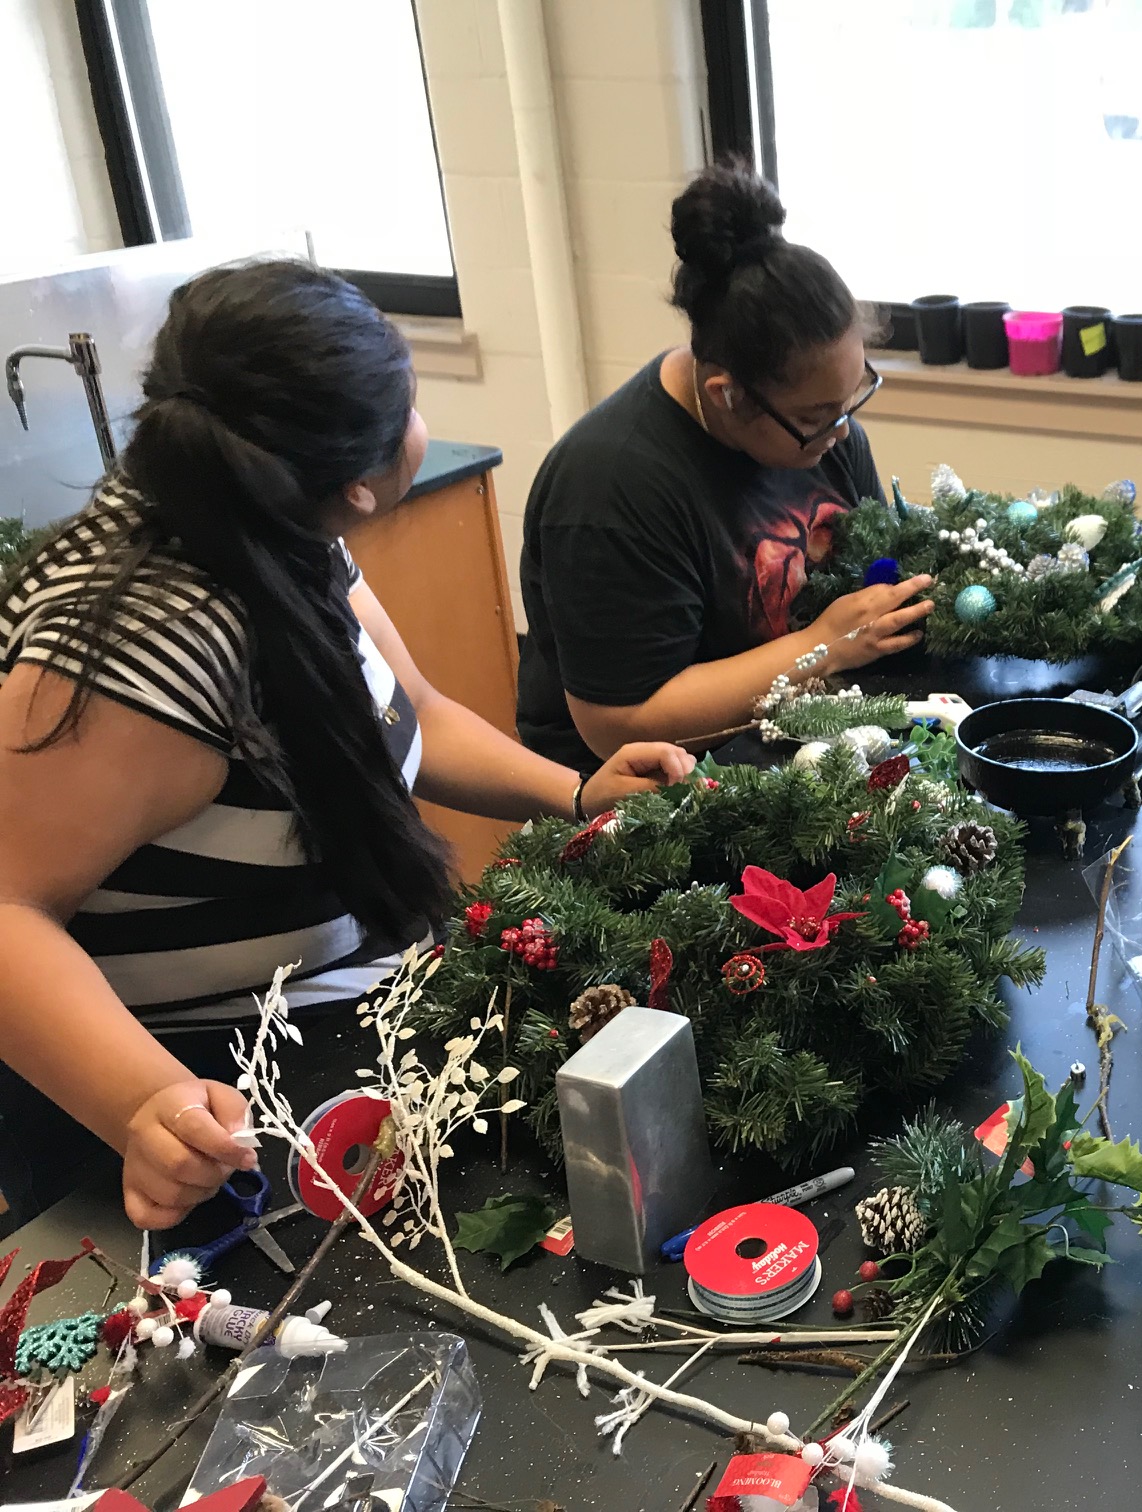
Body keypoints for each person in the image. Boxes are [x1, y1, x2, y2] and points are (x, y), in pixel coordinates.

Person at [0, 260, 695, 1233]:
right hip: (221, 1098)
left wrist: (577, 794)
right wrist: (144, 1103)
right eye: (412, 404)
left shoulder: (272, 515)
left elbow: (406, 708)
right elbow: (8, 908)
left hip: (352, 1019)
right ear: (364, 484)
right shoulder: (141, 656)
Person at [516, 163, 933, 769]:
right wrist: (823, 646)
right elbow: (619, 727)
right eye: (817, 414)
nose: (842, 430)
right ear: (725, 394)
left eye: (852, 396)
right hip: (650, 793)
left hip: (800, 735)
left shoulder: (825, 433)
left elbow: (867, 575)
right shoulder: (610, 492)